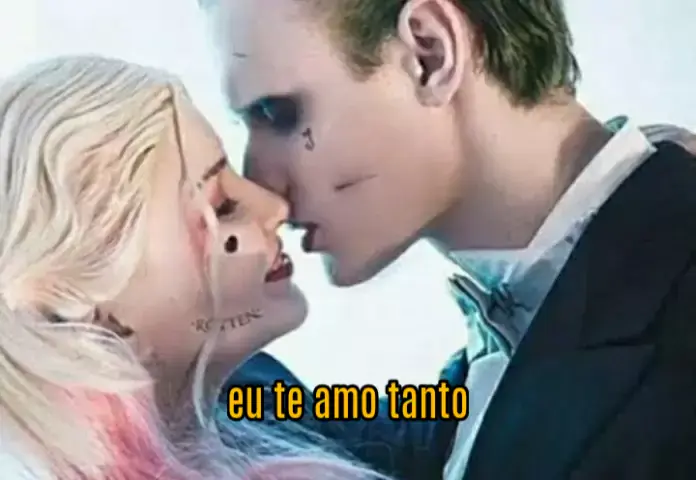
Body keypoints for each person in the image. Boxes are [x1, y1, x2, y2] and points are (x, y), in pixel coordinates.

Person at [201, 0, 696, 479]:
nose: (260, 187)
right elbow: (303, 428)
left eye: (278, 112)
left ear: (429, 54)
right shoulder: (494, 358)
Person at [0, 54, 391, 480]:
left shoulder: (253, 396)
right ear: (96, 313)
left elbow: (420, 430)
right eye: (221, 209)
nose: (275, 207)